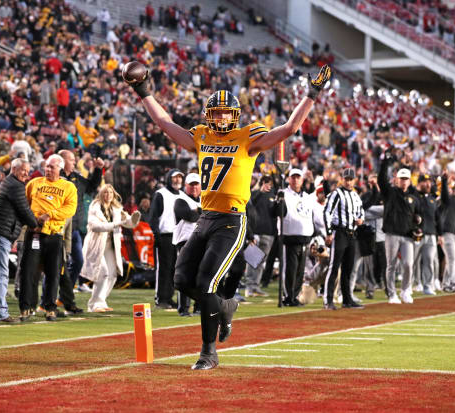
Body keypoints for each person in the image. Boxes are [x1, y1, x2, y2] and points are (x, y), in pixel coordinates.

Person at [125, 64, 330, 370]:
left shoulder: (248, 136)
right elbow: (166, 123)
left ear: (234, 115)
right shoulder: (201, 134)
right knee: (181, 279)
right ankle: (225, 305)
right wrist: (143, 91)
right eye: (216, 112)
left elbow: (288, 128)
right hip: (205, 218)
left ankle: (209, 353)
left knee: (206, 282)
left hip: (232, 220)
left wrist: (311, 94)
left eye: (225, 113)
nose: (220, 117)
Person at [18, 154, 77, 321]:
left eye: (52, 167)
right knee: (28, 272)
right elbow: (23, 204)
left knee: (53, 274)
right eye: (47, 166)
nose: (48, 169)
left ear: (60, 169)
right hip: (34, 233)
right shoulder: (33, 183)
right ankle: (26, 307)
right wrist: (31, 219)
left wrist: (49, 215)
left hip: (54, 235)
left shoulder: (69, 187)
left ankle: (50, 308)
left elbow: (70, 210)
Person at [0, 158, 38, 322]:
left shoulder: (8, 182)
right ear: (14, 169)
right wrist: (36, 222)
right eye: (23, 170)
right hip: (0, 233)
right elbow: (24, 209)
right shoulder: (15, 185)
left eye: (28, 171)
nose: (26, 174)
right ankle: (0, 312)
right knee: (0, 274)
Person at [81, 184, 140, 312]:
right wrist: (115, 224)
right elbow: (95, 226)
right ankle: (95, 304)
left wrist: (134, 220)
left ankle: (100, 302)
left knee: (112, 275)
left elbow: (127, 222)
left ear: (114, 195)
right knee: (103, 272)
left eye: (110, 193)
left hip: (111, 245)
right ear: (101, 194)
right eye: (105, 193)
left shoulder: (117, 208)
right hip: (96, 245)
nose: (108, 195)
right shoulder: (94, 207)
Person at [58, 149, 103, 296]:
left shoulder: (76, 178)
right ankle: (52, 296)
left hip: (75, 227)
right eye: (71, 160)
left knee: (78, 261)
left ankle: (66, 293)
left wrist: (97, 170)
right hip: (58, 227)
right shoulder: (56, 178)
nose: (74, 162)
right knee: (57, 263)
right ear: (62, 161)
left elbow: (91, 187)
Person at [378, 156, 421, 304]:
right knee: (391, 265)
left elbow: (418, 215)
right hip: (392, 234)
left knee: (409, 264)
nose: (403, 181)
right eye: (401, 178)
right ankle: (391, 294)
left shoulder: (414, 197)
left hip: (408, 235)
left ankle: (405, 290)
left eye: (406, 179)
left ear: (409, 181)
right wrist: (385, 163)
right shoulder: (389, 192)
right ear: (397, 179)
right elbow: (381, 180)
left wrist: (418, 226)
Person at [322, 168, 365, 310]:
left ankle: (347, 299)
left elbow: (361, 212)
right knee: (334, 267)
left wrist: (360, 220)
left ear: (354, 180)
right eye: (346, 179)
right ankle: (328, 300)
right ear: (342, 179)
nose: (348, 181)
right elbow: (327, 212)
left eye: (351, 179)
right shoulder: (337, 194)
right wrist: (328, 232)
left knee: (348, 269)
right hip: (339, 233)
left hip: (352, 234)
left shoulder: (355, 196)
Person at [149, 169, 185, 309]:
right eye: (175, 178)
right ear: (169, 179)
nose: (177, 181)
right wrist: (156, 234)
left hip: (179, 237)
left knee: (174, 269)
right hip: (165, 236)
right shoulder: (161, 194)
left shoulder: (183, 195)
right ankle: (161, 298)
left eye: (179, 178)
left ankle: (169, 297)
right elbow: (153, 217)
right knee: (163, 268)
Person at [279, 169, 315, 306]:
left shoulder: (306, 196)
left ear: (302, 180)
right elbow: (277, 212)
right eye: (292, 177)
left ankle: (294, 296)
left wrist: (312, 182)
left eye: (298, 177)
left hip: (304, 237)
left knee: (300, 271)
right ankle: (288, 296)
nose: (295, 180)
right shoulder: (284, 194)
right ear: (288, 179)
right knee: (290, 269)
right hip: (289, 237)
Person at [172, 173, 202, 316]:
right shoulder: (180, 200)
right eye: (191, 185)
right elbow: (190, 216)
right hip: (185, 242)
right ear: (186, 186)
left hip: (201, 241)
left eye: (196, 184)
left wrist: (199, 212)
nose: (194, 187)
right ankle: (183, 308)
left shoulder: (204, 200)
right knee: (185, 276)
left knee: (201, 275)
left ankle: (199, 306)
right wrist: (201, 212)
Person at [245, 175, 276, 297]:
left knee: (261, 261)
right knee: (252, 260)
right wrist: (260, 192)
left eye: (269, 183)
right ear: (261, 182)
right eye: (265, 182)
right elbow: (249, 205)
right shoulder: (254, 193)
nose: (267, 185)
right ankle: (249, 287)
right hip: (256, 232)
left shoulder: (273, 196)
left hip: (269, 232)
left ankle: (255, 286)